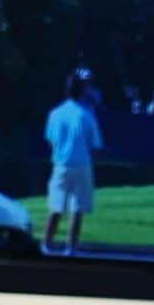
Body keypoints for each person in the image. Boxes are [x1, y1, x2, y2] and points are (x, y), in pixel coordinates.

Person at [43, 70, 103, 255]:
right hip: (82, 163)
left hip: (61, 163)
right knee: (77, 209)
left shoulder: (55, 113)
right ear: (82, 91)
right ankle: (71, 248)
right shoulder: (87, 115)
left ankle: (46, 245)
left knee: (56, 206)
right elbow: (95, 143)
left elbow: (50, 139)